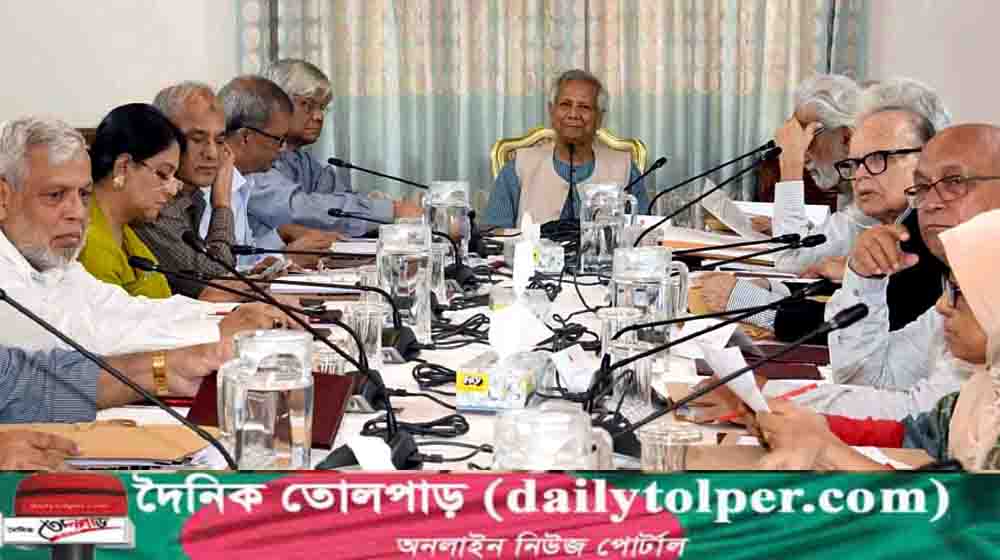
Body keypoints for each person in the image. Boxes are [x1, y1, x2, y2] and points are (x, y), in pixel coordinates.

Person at [695, 124, 1000, 421]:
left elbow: (921, 418)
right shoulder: (955, 275)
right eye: (922, 187)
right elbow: (871, 378)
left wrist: (765, 398)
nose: (930, 203)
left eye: (954, 182)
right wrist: (864, 279)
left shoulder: (943, 268)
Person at [0, 116, 293, 355]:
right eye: (55, 195)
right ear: (3, 197)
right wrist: (217, 330)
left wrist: (236, 315)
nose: (77, 212)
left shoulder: (56, 264)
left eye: (84, 194)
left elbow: (129, 310)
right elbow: (84, 339)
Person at [697, 79, 950, 344]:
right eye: (856, 162)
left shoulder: (930, 235)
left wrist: (745, 301)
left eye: (878, 158)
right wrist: (778, 289)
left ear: (927, 159)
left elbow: (862, 321)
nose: (860, 175)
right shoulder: (902, 223)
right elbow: (849, 299)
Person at [756, 208, 1000, 471]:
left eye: (958, 291)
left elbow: (963, 496)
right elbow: (913, 434)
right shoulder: (982, 388)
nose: (942, 305)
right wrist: (800, 425)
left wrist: (831, 452)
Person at [253, 58, 422, 237]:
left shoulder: (303, 161)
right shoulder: (253, 157)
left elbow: (340, 200)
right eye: (307, 105)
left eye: (322, 108)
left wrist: (388, 206)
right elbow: (299, 210)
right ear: (277, 104)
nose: (319, 116)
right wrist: (391, 210)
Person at [132, 82, 255, 299]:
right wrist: (222, 204)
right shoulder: (153, 200)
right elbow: (215, 276)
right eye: (197, 139)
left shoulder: (191, 196)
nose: (212, 154)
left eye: (219, 141)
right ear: (163, 138)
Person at [483, 69, 649, 228]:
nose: (573, 114)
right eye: (565, 104)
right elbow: (494, 233)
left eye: (584, 107)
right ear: (551, 111)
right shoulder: (519, 167)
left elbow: (643, 234)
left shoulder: (625, 168)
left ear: (599, 117)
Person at [220, 75, 345, 269]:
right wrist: (286, 260)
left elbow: (243, 258)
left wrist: (281, 234)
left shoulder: (242, 181)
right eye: (278, 140)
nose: (282, 149)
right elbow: (217, 272)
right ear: (245, 137)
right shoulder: (211, 186)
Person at [78, 104, 183, 298]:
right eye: (162, 174)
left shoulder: (128, 236)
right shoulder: (86, 243)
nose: (172, 191)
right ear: (123, 167)